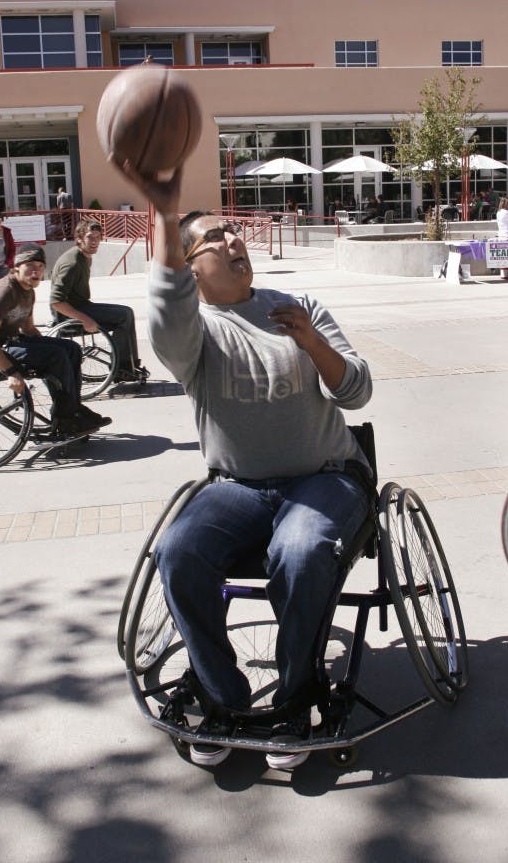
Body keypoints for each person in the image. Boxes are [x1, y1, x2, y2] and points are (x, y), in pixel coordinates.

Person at [124, 162, 373, 769]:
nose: (234, 241)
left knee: (302, 549)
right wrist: (162, 210)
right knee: (178, 551)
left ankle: (296, 695)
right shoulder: (193, 334)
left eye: (234, 231)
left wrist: (312, 342)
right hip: (237, 486)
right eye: (214, 239)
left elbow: (357, 392)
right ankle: (220, 694)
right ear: (189, 267)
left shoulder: (296, 304)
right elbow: (166, 312)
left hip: (327, 475)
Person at [0, 244, 110, 436]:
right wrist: (10, 372)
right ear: (17, 266)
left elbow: (29, 329)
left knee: (71, 348)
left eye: (41, 267)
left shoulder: (28, 291)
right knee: (56, 356)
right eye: (30, 265)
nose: (37, 271)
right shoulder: (4, 291)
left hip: (13, 342)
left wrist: (52, 346)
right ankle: (65, 418)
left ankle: (73, 408)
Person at [49, 219, 148, 383]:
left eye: (97, 237)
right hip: (70, 315)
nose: (95, 241)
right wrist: (84, 319)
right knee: (123, 316)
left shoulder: (84, 256)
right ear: (79, 238)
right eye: (90, 237)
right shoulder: (72, 262)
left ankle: (128, 365)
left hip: (81, 306)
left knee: (127, 312)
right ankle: (121, 369)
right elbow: (56, 301)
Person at [495, 196, 508, 280]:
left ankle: (504, 274)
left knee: (504, 256)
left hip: (502, 235)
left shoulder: (499, 212)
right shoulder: (507, 213)